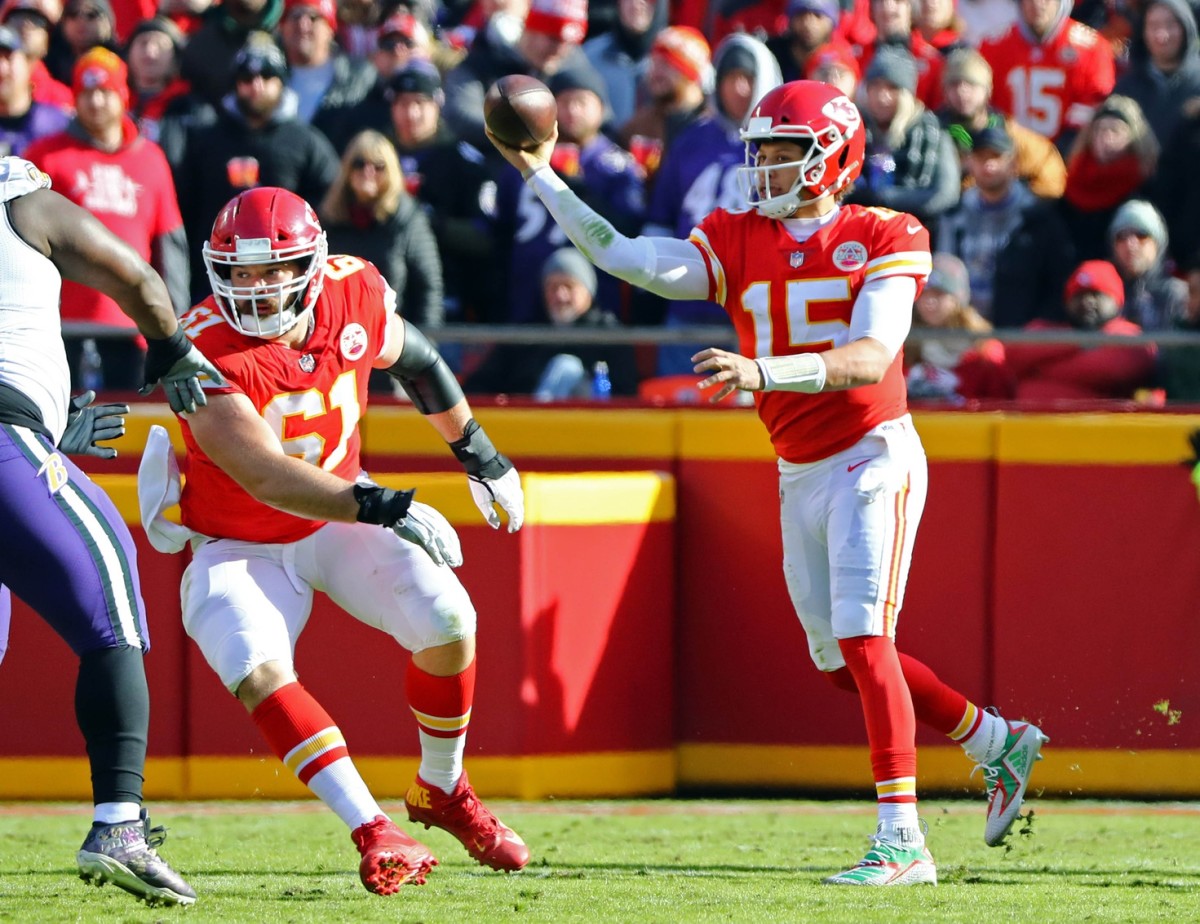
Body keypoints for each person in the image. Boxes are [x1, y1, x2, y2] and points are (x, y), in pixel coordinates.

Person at [489, 79, 1048, 886]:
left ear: (835, 158)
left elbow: (867, 358)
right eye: (761, 154)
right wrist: (541, 173)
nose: (767, 170)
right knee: (839, 661)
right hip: (800, 466)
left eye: (787, 154)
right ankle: (998, 743)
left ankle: (903, 843)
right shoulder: (736, 235)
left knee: (864, 639)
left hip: (871, 451)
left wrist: (760, 370)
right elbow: (625, 256)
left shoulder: (885, 232)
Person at [138, 185, 530, 895]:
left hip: (340, 520)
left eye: (272, 270)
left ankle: (441, 789)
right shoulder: (196, 349)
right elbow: (266, 476)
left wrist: (481, 454)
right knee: (254, 663)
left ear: (311, 265)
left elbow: (417, 359)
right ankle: (372, 827)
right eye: (239, 272)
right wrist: (382, 504)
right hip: (239, 541)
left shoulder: (354, 290)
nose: (254, 289)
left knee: (450, 619)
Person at [0, 154, 223, 907]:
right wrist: (171, 349)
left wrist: (48, 426)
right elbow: (141, 280)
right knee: (112, 606)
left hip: (20, 436)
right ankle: (118, 824)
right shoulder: (25, 201)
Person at [24, 46, 189, 390]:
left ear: (123, 95)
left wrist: (175, 327)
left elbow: (170, 248)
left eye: (105, 92)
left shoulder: (151, 159)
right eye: (86, 93)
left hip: (131, 327)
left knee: (126, 428)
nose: (96, 103)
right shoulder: (46, 156)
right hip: (60, 327)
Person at [937, 122, 1074, 326]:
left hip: (1019, 333)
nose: (989, 165)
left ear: (1014, 165)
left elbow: (1055, 283)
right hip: (963, 330)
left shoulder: (1039, 217)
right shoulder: (953, 215)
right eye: (981, 158)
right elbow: (943, 272)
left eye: (996, 157)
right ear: (970, 164)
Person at [465, 245, 639, 397]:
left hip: (589, 427)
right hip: (523, 428)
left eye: (568, 286)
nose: (560, 296)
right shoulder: (525, 336)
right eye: (552, 287)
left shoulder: (610, 336)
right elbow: (480, 385)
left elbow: (625, 392)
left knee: (567, 367)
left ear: (588, 291)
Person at [1003, 259, 1157, 399]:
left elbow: (1107, 370)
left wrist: (1036, 372)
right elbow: (1014, 354)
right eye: (1079, 295)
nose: (1087, 301)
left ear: (1116, 301)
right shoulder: (1046, 328)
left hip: (1100, 426)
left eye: (1096, 294)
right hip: (1031, 426)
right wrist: (1079, 343)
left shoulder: (1130, 335)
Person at [905, 252, 1008, 401]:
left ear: (958, 299)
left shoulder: (984, 349)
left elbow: (1001, 403)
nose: (929, 302)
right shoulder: (904, 345)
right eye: (924, 294)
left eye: (939, 294)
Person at [1107, 199, 1186, 331]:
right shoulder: (1104, 294)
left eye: (1141, 235)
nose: (1130, 243)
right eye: (1122, 236)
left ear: (1158, 244)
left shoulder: (1176, 294)